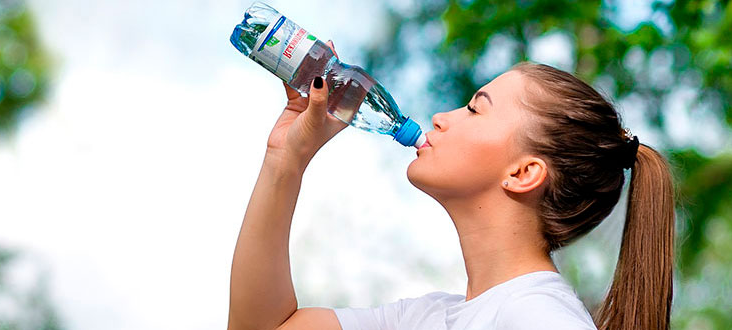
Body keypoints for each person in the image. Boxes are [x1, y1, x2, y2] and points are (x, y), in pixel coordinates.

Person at [228, 58, 675, 330]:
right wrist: (284, 161)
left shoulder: (537, 317)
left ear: (523, 173)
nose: (442, 117)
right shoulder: (427, 319)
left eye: (475, 109)